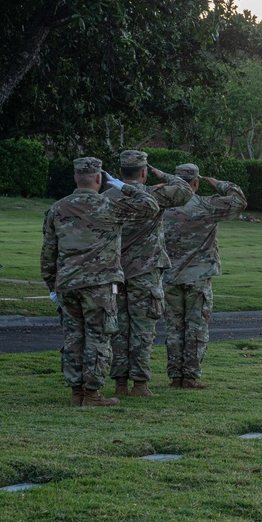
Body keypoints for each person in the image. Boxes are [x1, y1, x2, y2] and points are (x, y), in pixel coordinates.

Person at [41, 157, 159, 406]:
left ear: (75, 178)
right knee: (98, 338)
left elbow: (48, 253)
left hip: (67, 285)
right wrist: (124, 186)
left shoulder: (57, 208)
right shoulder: (109, 205)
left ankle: (76, 393)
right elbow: (150, 206)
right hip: (99, 286)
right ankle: (92, 394)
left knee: (73, 338)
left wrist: (52, 285)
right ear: (99, 178)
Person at [104, 150, 193, 398]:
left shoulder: (108, 196)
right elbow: (185, 191)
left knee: (119, 328)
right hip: (145, 272)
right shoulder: (154, 194)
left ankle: (120, 382)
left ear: (121, 172)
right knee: (143, 328)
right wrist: (163, 174)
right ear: (144, 172)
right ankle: (140, 384)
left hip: (116, 271)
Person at [162, 163, 247, 389]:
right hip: (198, 277)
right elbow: (239, 200)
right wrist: (218, 183)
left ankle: (175, 376)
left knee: (174, 328)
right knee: (196, 327)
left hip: (169, 276)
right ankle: (189, 376)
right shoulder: (206, 205)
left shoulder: (162, 206)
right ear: (196, 183)